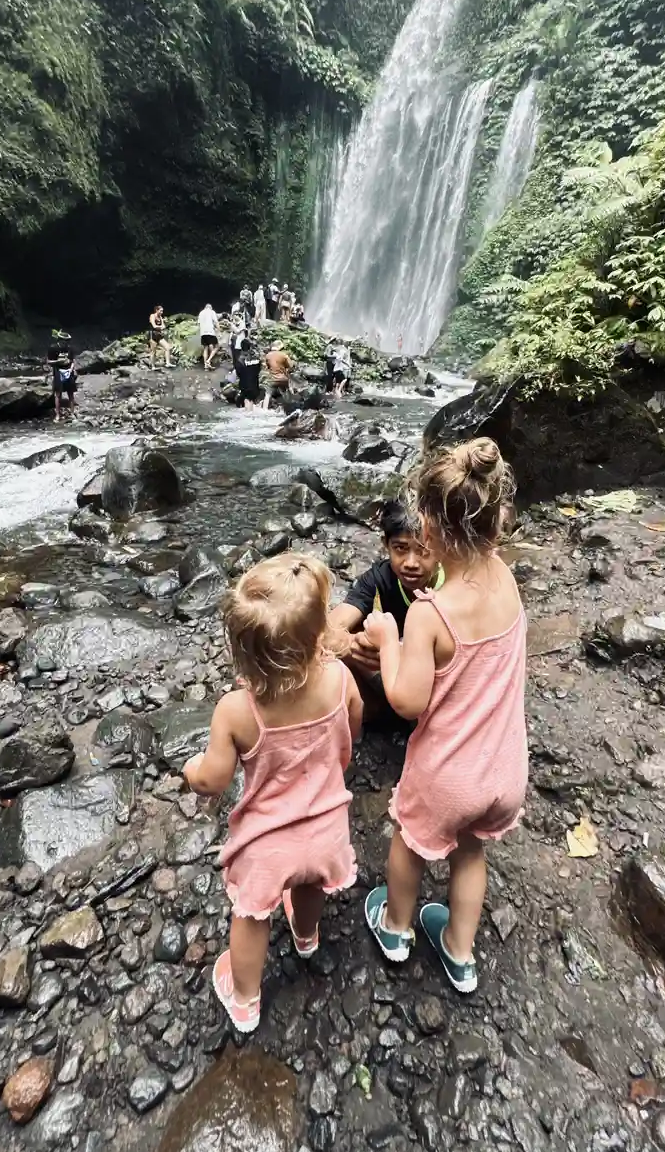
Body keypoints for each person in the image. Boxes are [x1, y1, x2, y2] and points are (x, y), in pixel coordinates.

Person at [362, 438, 527, 994]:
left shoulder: (432, 614)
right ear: (497, 524)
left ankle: (397, 927)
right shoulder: (505, 578)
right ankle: (460, 952)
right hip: (504, 772)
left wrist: (388, 638)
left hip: (446, 777)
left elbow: (408, 700)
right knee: (470, 849)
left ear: (428, 532)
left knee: (409, 842)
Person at [184, 555, 363, 1032]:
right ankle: (306, 937)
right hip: (326, 826)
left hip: (267, 844)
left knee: (251, 916)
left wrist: (191, 769)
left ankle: (244, 998)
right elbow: (355, 724)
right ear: (317, 634)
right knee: (308, 885)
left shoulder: (237, 710)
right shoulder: (340, 680)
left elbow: (214, 779)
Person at [328, 500, 442, 725]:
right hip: (395, 679)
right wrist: (351, 643)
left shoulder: (453, 588)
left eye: (423, 551)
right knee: (342, 644)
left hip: (439, 685)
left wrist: (392, 650)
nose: (411, 563)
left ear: (441, 548)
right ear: (385, 544)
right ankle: (376, 715)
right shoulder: (380, 578)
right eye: (400, 548)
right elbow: (327, 630)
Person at [46, 329, 78, 423]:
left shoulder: (70, 348)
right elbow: (48, 361)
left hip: (68, 371)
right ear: (60, 340)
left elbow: (72, 360)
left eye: (67, 341)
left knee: (70, 393)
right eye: (64, 341)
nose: (66, 343)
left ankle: (72, 414)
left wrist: (71, 368)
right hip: (58, 371)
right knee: (58, 394)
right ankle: (57, 415)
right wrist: (58, 362)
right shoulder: (53, 348)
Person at [262, 341, 295, 410]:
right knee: (287, 392)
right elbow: (291, 366)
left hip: (272, 379)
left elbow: (267, 366)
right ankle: (290, 407)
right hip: (283, 379)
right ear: (279, 347)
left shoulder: (268, 355)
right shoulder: (283, 355)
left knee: (267, 395)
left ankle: (264, 410)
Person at [236, 336, 263, 409]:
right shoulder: (256, 358)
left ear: (241, 347)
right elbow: (259, 369)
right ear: (249, 347)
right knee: (252, 400)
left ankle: (248, 415)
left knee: (247, 400)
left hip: (245, 384)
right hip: (255, 384)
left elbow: (238, 372)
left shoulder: (240, 359)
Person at [149, 305, 171, 369]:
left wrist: (160, 327)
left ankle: (168, 363)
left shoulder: (160, 317)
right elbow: (154, 326)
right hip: (153, 336)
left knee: (167, 347)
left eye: (162, 311)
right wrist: (161, 327)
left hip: (159, 335)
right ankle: (152, 366)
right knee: (153, 351)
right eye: (161, 311)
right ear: (156, 310)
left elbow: (164, 326)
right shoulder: (152, 316)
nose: (162, 312)